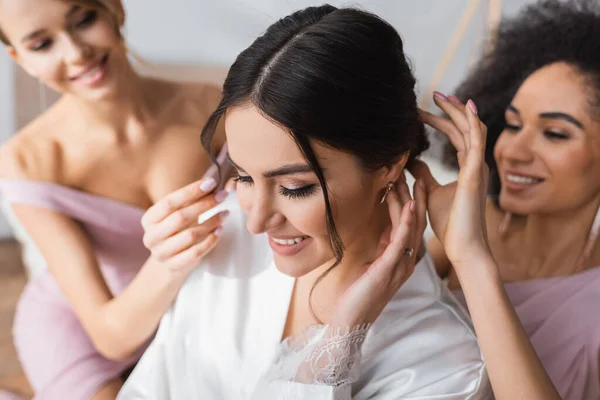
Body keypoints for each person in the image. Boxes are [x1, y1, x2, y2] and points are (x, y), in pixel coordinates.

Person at [117, 5, 493, 399]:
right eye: (243, 177)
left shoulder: (445, 367)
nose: (255, 223)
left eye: (295, 188)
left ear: (388, 165)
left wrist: (343, 338)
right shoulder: (221, 239)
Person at [0, 0, 227, 398]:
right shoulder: (27, 159)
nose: (75, 53)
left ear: (115, 10)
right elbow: (111, 336)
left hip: (204, 304)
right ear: (21, 59)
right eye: (42, 45)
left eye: (84, 20)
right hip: (88, 325)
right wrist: (167, 260)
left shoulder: (211, 105)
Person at [429, 0, 600, 398]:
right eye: (512, 124)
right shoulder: (472, 221)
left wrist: (472, 260)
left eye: (555, 133)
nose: (511, 151)